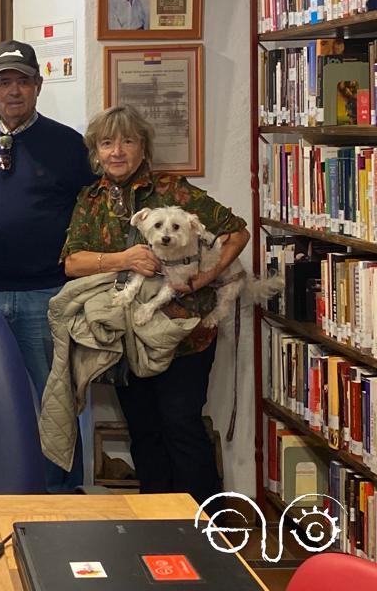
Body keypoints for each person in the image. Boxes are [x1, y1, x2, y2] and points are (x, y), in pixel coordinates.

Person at [60, 104, 248, 505]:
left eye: (127, 141)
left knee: (180, 424)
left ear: (143, 146)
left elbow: (237, 232)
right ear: (96, 151)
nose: (117, 151)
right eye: (107, 143)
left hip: (187, 334)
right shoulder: (89, 200)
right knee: (143, 429)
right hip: (128, 336)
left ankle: (207, 526)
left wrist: (208, 277)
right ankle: (156, 522)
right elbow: (72, 263)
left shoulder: (173, 190)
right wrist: (124, 260)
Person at [0, 38, 95, 493]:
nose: (14, 91)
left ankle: (62, 495)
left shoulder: (68, 145)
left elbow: (86, 217)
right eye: (4, 81)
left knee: (57, 405)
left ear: (38, 86)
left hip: (46, 296)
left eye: (23, 82)